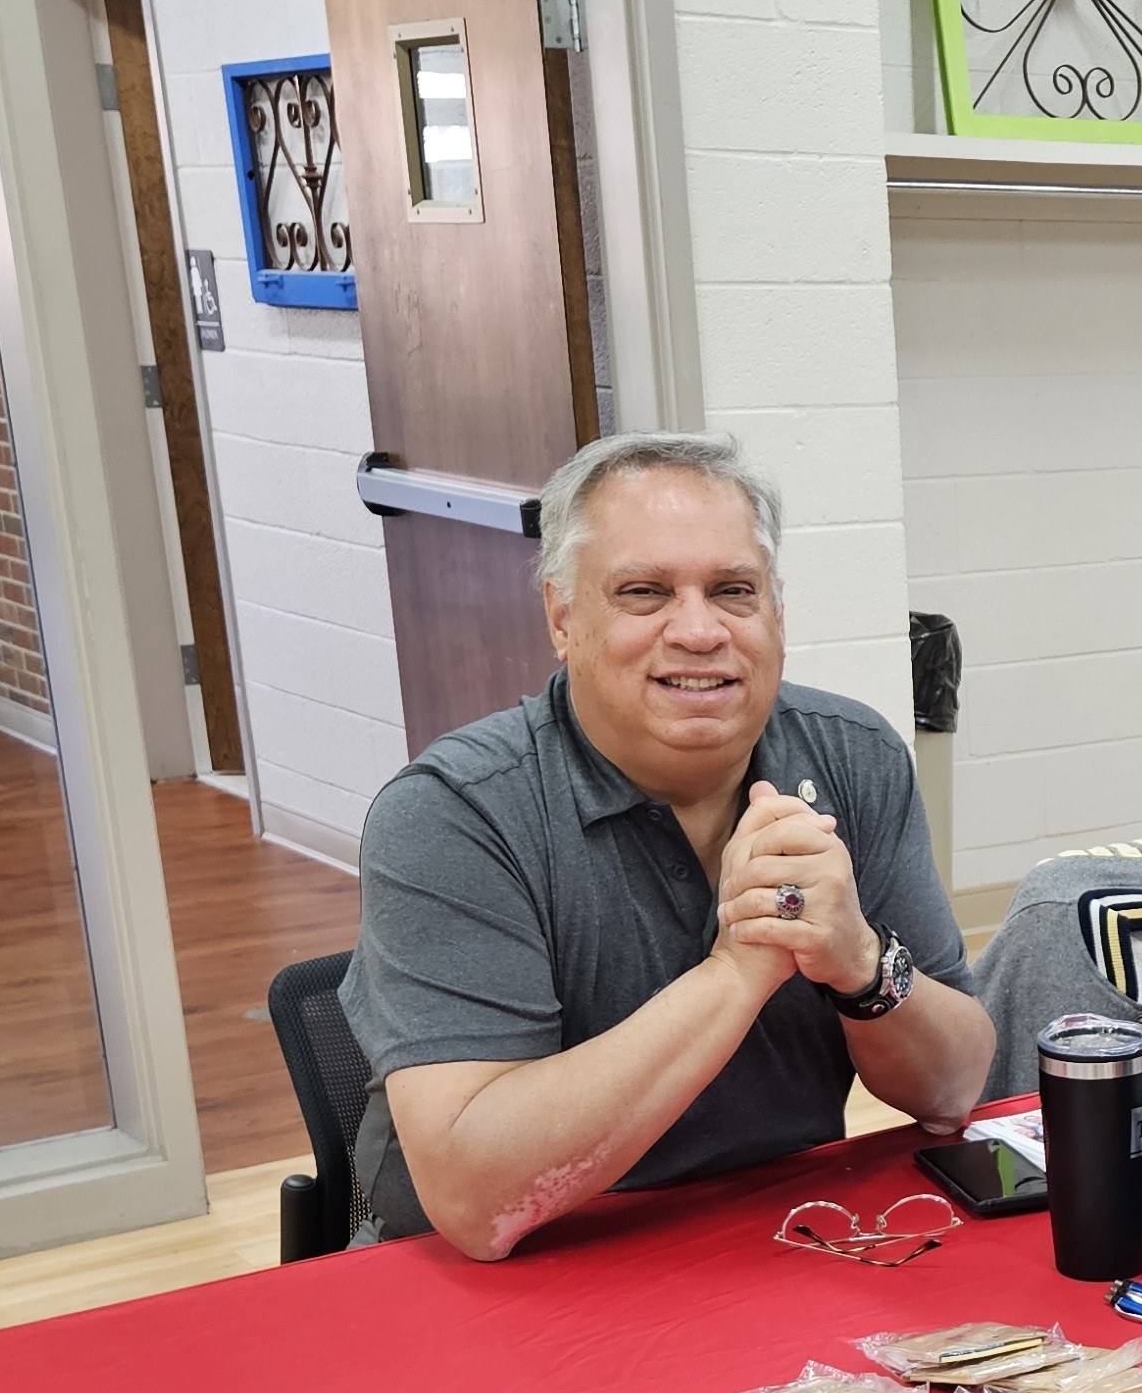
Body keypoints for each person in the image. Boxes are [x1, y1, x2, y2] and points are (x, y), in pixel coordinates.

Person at [341, 434, 991, 1257]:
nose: (698, 630)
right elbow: (477, 1205)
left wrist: (859, 961)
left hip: (773, 1240)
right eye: (645, 592)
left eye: (733, 591)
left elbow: (953, 1089)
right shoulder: (453, 814)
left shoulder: (853, 756)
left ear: (777, 612)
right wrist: (741, 967)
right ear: (562, 618)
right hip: (504, 1279)